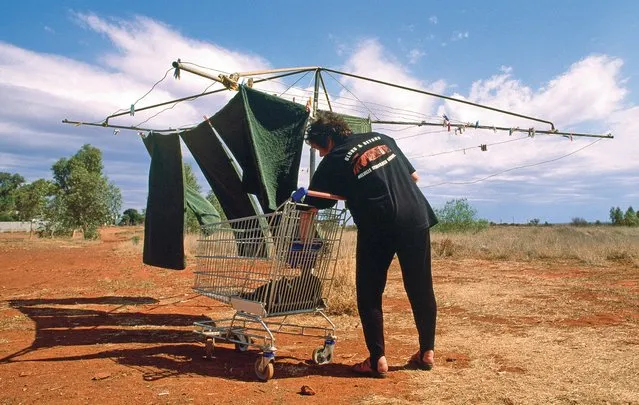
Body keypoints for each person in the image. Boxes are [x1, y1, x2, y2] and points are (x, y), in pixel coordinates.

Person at [300, 111, 439, 378]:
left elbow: (310, 208)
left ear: (328, 139)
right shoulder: (382, 138)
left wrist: (305, 246)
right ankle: (426, 352)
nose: (319, 154)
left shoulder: (333, 161)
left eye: (318, 147)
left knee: (369, 293)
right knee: (421, 286)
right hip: (415, 217)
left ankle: (377, 360)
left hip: (379, 224)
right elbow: (414, 178)